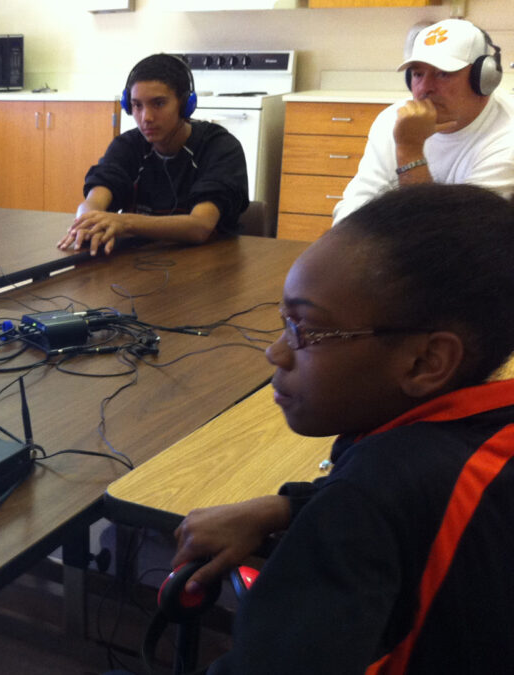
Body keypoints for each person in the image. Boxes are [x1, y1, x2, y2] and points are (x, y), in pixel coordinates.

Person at [171, 184, 514, 673]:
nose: (277, 351)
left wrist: (334, 512)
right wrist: (288, 506)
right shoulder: (486, 431)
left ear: (425, 361)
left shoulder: (368, 499)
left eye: (305, 329)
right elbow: (426, 502)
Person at [59, 53, 248, 255]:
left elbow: (200, 226)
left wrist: (125, 222)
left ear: (185, 105)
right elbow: (93, 203)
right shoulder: (127, 145)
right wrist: (89, 222)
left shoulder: (220, 147)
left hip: (211, 266)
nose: (146, 117)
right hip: (141, 265)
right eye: (137, 105)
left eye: (158, 103)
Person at [332, 18, 514, 224]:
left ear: (484, 79)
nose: (424, 88)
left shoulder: (507, 136)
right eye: (418, 74)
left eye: (443, 74)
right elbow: (356, 204)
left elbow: (453, 238)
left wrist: (409, 149)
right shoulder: (392, 120)